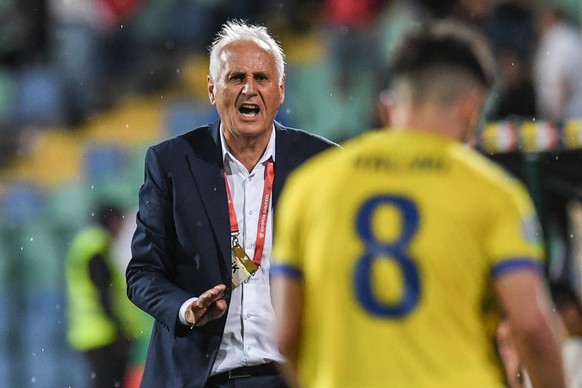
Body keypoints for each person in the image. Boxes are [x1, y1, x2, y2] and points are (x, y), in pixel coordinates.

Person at [270, 21, 566, 388]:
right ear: (472, 107)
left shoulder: (310, 187)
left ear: (388, 107)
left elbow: (285, 334)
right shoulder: (493, 193)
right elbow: (532, 326)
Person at [126, 19, 338, 388]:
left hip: (295, 374)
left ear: (281, 90)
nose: (249, 90)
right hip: (200, 376)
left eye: (261, 78)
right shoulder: (173, 162)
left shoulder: (322, 163)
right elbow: (142, 272)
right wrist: (185, 309)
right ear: (211, 89)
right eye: (236, 77)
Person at [66, 203, 144, 388]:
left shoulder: (85, 245)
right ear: (113, 221)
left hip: (92, 332)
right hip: (104, 334)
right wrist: (119, 329)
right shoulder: (97, 248)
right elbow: (104, 294)